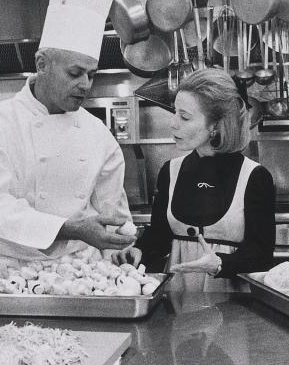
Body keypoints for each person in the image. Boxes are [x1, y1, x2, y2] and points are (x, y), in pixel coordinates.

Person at [0, 0, 137, 278]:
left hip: (85, 278)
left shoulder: (97, 133)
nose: (85, 85)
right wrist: (73, 229)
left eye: (91, 74)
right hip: (13, 277)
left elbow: (112, 211)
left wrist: (123, 244)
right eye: (75, 73)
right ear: (42, 64)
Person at [116, 68, 276, 291]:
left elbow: (261, 255)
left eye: (185, 117)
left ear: (215, 126)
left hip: (235, 304)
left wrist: (220, 263)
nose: (173, 123)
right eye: (175, 112)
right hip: (179, 300)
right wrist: (140, 249)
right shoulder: (170, 171)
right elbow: (160, 236)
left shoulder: (255, 178)